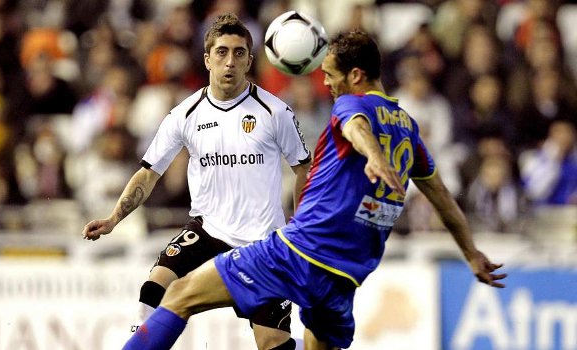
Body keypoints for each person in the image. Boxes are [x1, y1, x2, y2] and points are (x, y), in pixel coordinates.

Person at [123, 31, 506, 350]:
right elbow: (441, 196)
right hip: (346, 274)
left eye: (330, 74)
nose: (325, 83)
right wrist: (471, 254)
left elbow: (356, 126)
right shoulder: (407, 126)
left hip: (300, 251)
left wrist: (371, 154)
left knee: (180, 295)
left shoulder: (351, 105)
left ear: (356, 76)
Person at [82, 13, 311, 350]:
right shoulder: (185, 114)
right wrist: (114, 218)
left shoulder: (275, 113)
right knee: (157, 284)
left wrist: (299, 229)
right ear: (207, 59)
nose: (229, 61)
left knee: (272, 343)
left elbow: (303, 169)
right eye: (221, 52)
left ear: (249, 60)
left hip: (263, 244)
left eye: (238, 53)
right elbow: (149, 172)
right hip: (208, 233)